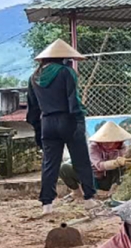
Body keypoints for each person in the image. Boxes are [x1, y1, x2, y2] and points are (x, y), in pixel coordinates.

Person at [27, 39, 96, 216]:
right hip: (68, 120)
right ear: (63, 58)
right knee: (81, 160)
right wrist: (79, 121)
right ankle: (89, 200)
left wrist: (38, 129)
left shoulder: (33, 77)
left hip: (47, 124)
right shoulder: (66, 72)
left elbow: (32, 109)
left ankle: (47, 205)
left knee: (49, 165)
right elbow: (74, 101)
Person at [60, 120, 131, 198]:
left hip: (109, 179)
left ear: (118, 142)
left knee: (122, 165)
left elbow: (124, 167)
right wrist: (116, 162)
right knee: (64, 167)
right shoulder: (93, 147)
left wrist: (125, 162)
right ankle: (77, 192)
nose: (107, 144)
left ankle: (113, 191)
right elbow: (99, 166)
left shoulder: (122, 148)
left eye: (110, 142)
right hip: (92, 178)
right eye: (104, 141)